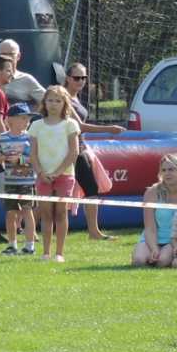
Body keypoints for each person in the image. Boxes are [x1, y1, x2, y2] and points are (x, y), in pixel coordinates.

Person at [63, 61, 124, 240]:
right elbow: (79, 126)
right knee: (84, 189)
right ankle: (93, 232)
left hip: (80, 147)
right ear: (67, 78)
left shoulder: (75, 97)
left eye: (83, 77)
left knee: (88, 189)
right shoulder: (64, 97)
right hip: (71, 150)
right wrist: (109, 129)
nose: (81, 81)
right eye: (76, 78)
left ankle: (94, 231)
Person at [30, 85, 81, 263]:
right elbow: (33, 154)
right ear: (44, 102)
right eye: (50, 100)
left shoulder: (70, 124)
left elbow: (74, 152)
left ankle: (59, 253)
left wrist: (58, 172)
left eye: (58, 101)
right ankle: (45, 252)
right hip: (43, 175)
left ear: (64, 103)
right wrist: (40, 172)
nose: (53, 104)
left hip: (65, 174)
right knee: (45, 213)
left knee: (60, 212)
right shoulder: (36, 125)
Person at [0, 103, 38, 255]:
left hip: (27, 182)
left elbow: (33, 158)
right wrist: (0, 158)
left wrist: (18, 161)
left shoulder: (30, 138)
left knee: (27, 211)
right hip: (10, 182)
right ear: (10, 120)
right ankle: (12, 244)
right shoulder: (2, 138)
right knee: (10, 213)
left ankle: (29, 245)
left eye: (27, 119)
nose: (26, 121)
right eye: (23, 118)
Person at [0, 41, 46, 105]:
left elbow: (48, 100)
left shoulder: (26, 80)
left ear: (18, 56)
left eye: (11, 54)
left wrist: (32, 112)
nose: (7, 58)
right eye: (3, 54)